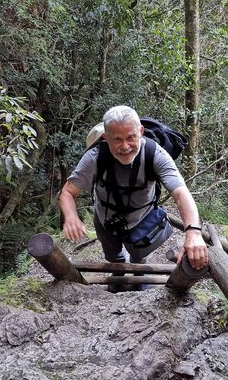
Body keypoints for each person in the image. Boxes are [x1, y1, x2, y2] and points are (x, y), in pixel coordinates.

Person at [59, 106, 208, 288]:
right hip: (105, 219)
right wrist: (71, 216)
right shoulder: (95, 157)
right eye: (117, 140)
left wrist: (193, 232)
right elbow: (68, 192)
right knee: (112, 255)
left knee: (139, 256)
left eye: (131, 137)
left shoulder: (155, 154)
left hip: (141, 219)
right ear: (105, 137)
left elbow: (180, 192)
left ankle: (139, 274)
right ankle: (118, 274)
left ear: (141, 132)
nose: (125, 146)